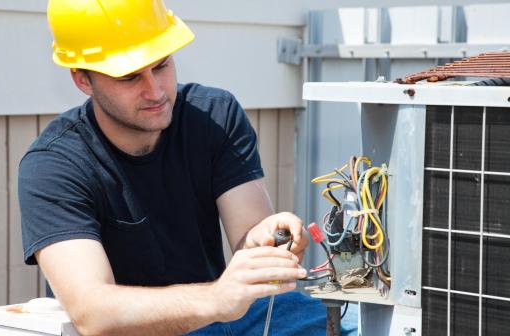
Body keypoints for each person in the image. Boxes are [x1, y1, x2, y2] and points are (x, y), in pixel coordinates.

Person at [19, 1, 357, 335]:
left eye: (162, 65)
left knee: (361, 323)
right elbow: (92, 312)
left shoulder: (215, 116)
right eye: (129, 77)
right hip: (136, 331)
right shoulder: (53, 165)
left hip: (227, 319)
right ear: (82, 79)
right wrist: (216, 298)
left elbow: (248, 239)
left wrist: (263, 238)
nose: (155, 91)